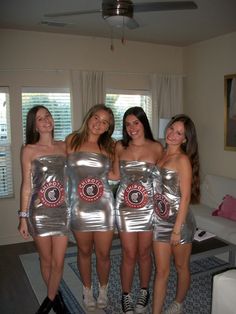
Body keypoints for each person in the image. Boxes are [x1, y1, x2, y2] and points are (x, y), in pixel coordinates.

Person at [18, 105, 70, 314]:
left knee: (59, 261)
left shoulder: (65, 146)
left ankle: (49, 301)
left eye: (47, 116)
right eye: (40, 119)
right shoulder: (29, 149)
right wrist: (23, 217)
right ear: (35, 126)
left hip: (62, 211)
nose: (46, 120)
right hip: (39, 212)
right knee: (46, 259)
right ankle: (56, 299)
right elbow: (27, 186)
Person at [112, 107, 163, 314]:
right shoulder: (119, 146)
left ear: (144, 123)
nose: (132, 128)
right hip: (124, 207)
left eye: (136, 122)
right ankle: (126, 295)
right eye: (127, 124)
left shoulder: (157, 148)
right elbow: (114, 175)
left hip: (148, 208)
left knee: (144, 253)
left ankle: (144, 290)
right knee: (129, 253)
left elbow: (163, 180)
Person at [65, 104, 116, 311]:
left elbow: (115, 175)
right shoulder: (71, 140)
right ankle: (87, 290)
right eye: (96, 118)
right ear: (89, 117)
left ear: (108, 127)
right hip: (79, 206)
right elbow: (60, 169)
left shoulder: (110, 146)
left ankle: (103, 290)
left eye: (105, 122)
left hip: (104, 207)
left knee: (103, 254)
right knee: (84, 251)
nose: (99, 124)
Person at [152, 114, 200, 314]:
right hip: (160, 221)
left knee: (181, 266)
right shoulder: (160, 154)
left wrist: (177, 230)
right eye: (172, 128)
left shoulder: (182, 160)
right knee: (161, 271)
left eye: (179, 133)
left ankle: (178, 303)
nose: (172, 134)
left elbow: (186, 197)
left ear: (185, 139)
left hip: (179, 223)